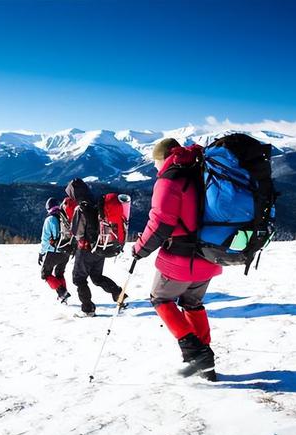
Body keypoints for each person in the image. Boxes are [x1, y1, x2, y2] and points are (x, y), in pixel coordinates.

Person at [132, 138, 222, 380]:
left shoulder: (170, 179)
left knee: (160, 298)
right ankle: (207, 364)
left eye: (155, 162)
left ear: (162, 157)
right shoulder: (200, 170)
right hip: (211, 254)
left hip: (181, 257)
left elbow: (160, 223)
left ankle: (195, 351)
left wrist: (140, 248)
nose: (154, 167)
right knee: (192, 303)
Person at [65, 179, 122, 317]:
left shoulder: (81, 207)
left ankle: (87, 309)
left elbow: (77, 232)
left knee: (79, 279)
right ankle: (120, 296)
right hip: (101, 247)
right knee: (97, 277)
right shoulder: (96, 202)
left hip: (85, 249)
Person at [38, 197, 71, 303]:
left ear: (48, 208)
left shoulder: (50, 219)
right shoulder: (65, 215)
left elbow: (45, 239)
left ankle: (62, 292)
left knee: (46, 274)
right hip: (67, 250)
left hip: (54, 251)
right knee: (59, 273)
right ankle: (63, 295)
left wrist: (41, 253)